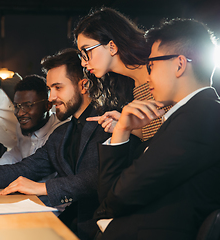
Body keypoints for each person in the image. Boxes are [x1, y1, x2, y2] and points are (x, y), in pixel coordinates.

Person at [0, 48, 133, 240]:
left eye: (58, 88)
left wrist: (42, 187)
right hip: (70, 225)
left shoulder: (108, 123)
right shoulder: (62, 133)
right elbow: (25, 168)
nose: (51, 98)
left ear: (84, 85)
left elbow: (94, 179)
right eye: (50, 89)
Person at [94, 19, 220, 240]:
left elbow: (117, 196)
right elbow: (114, 193)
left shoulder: (199, 117)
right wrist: (122, 131)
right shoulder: (190, 114)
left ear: (179, 64)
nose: (148, 75)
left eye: (151, 65)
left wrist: (121, 132)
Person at [74, 7, 171, 141]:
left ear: (112, 46)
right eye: (81, 55)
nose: (83, 63)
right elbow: (152, 134)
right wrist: (122, 126)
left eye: (86, 51)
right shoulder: (130, 84)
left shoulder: (158, 67)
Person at [0, 74, 68, 165]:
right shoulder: (22, 126)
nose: (20, 113)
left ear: (48, 105)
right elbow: (18, 153)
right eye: (17, 106)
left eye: (28, 106)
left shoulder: (61, 132)